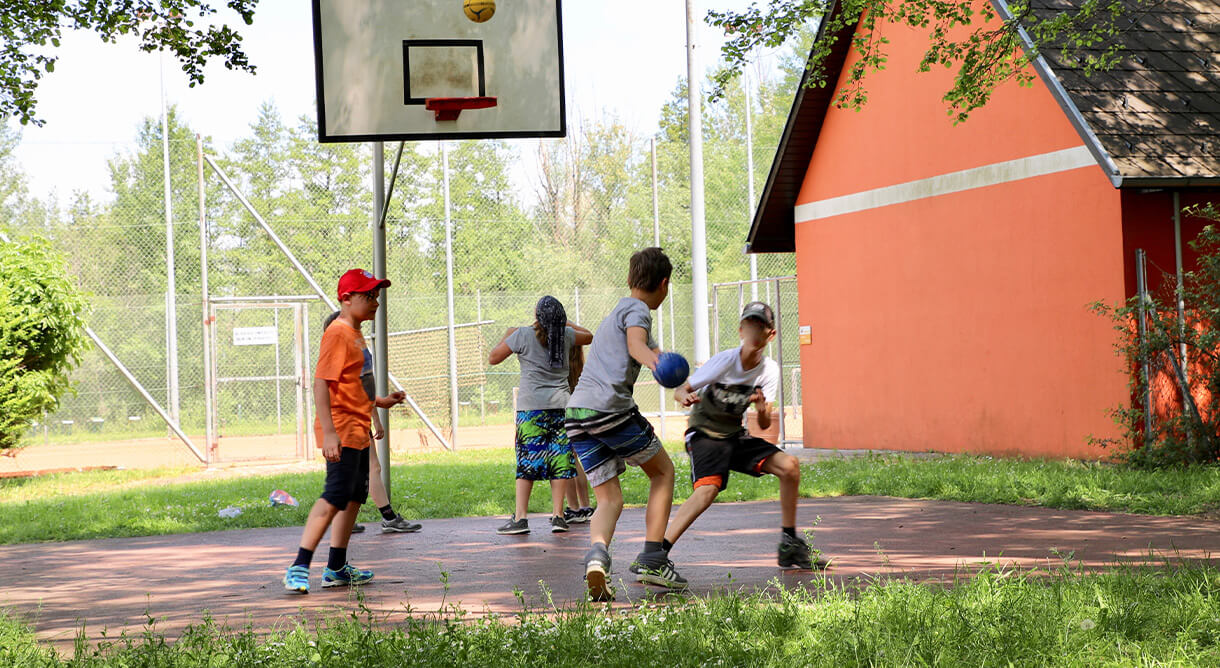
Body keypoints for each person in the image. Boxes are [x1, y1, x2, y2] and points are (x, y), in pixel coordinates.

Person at [659, 301, 825, 573]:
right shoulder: (725, 361)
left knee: (789, 466)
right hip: (704, 432)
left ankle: (788, 543)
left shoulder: (768, 371)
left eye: (760, 325)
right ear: (740, 330)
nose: (753, 330)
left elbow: (762, 425)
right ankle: (657, 554)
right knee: (708, 489)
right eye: (749, 324)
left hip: (734, 436)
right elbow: (681, 389)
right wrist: (685, 397)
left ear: (770, 335)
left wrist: (761, 408)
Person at [565, 247, 685, 601]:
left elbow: (651, 349)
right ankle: (652, 558)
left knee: (609, 499)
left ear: (631, 278)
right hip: (609, 411)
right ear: (664, 284)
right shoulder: (638, 311)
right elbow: (638, 346)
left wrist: (677, 388)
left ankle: (597, 556)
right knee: (663, 473)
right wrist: (652, 363)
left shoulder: (617, 311)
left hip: (578, 416)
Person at [283, 269, 405, 594]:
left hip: (358, 430)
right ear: (347, 299)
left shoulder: (355, 333)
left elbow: (355, 384)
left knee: (353, 497)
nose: (376, 302)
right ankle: (299, 566)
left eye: (377, 295)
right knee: (335, 496)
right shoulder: (337, 333)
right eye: (369, 296)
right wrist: (330, 433)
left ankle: (336, 568)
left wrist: (381, 402)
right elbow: (321, 383)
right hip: (341, 431)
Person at [489, 296, 593, 535]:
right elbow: (589, 335)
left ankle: (521, 518)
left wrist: (508, 335)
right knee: (560, 460)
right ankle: (558, 515)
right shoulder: (566, 335)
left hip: (531, 409)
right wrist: (567, 324)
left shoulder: (522, 335)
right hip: (562, 407)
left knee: (527, 461)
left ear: (537, 316)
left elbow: (493, 358)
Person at [317, 310, 422, 535]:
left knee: (364, 471)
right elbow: (329, 391)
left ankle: (353, 520)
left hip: (356, 420)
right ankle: (385, 517)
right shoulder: (338, 352)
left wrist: (376, 416)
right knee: (358, 472)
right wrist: (330, 432)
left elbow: (364, 390)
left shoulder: (356, 350)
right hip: (345, 424)